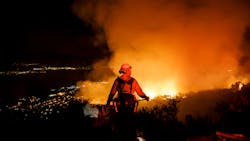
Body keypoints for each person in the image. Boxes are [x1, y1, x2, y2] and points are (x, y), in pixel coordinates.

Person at [106, 63, 150, 141]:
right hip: (130, 107)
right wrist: (145, 97)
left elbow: (112, 93)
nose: (130, 71)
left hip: (120, 108)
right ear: (125, 71)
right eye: (129, 69)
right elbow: (140, 92)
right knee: (130, 125)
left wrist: (108, 102)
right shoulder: (133, 81)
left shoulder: (117, 81)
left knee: (120, 125)